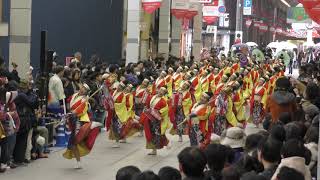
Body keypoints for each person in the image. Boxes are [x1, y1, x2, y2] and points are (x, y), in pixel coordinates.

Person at [62, 83, 102, 169]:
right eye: (82, 87)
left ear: (86, 92)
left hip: (79, 120)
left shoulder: (84, 99)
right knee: (72, 144)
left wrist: (73, 112)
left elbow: (82, 109)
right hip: (71, 118)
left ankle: (91, 126)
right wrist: (68, 111)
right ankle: (78, 161)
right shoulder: (75, 95)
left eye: (84, 89)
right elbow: (68, 101)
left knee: (75, 140)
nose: (82, 89)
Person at [141, 87, 170, 155]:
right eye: (160, 90)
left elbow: (164, 111)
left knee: (156, 134)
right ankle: (154, 150)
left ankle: (161, 145)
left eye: (163, 91)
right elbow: (148, 105)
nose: (161, 92)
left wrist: (157, 112)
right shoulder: (153, 96)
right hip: (149, 118)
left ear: (164, 94)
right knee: (150, 133)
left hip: (155, 120)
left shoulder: (163, 101)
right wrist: (146, 108)